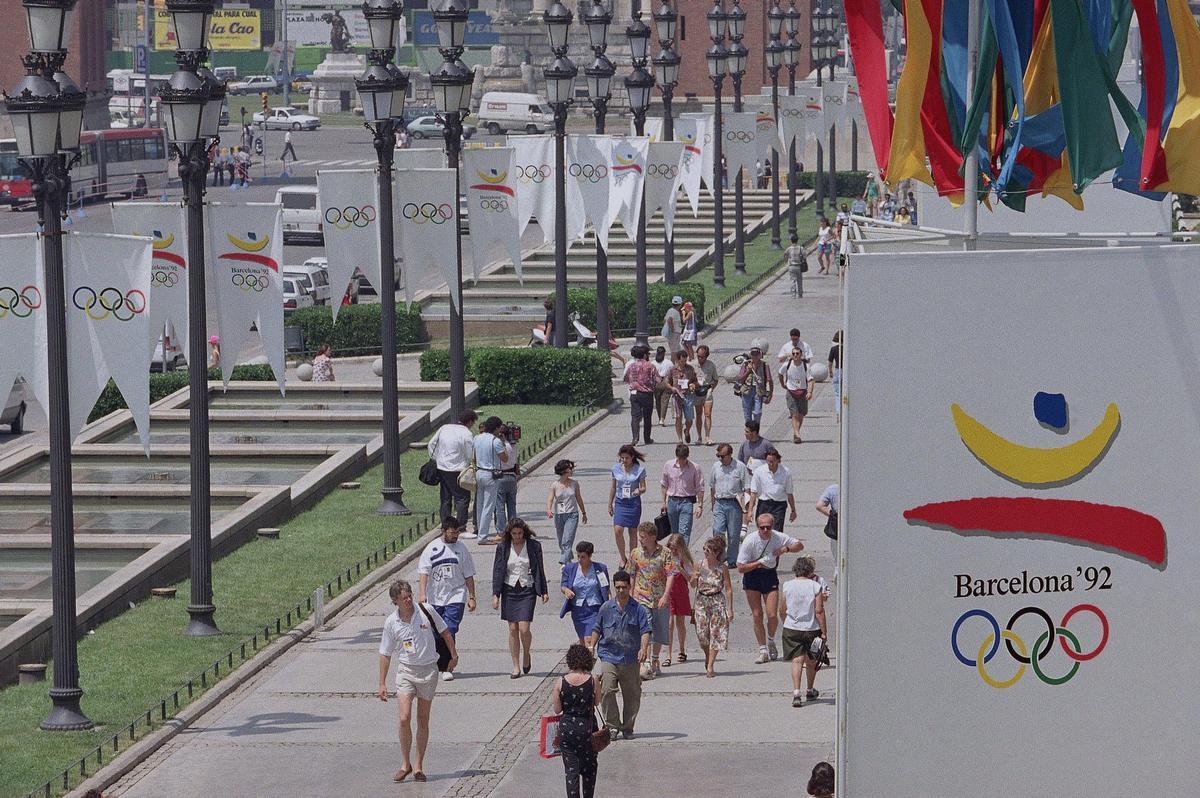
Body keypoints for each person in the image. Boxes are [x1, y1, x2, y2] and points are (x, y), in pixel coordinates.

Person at [377, 579, 460, 783]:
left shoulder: (426, 610)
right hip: (406, 671)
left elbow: (444, 631)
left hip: (428, 671)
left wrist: (453, 654)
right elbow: (385, 653)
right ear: (395, 601)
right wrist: (382, 683)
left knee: (423, 719)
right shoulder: (391, 622)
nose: (408, 600)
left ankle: (419, 766)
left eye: (409, 596)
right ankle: (405, 764)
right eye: (403, 598)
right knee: (404, 717)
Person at [587, 570, 651, 740]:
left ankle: (628, 727)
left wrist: (643, 648)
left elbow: (645, 630)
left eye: (624, 587)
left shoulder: (638, 609)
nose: (621, 591)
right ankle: (612, 725)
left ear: (629, 587)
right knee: (607, 690)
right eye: (618, 588)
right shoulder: (606, 608)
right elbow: (597, 628)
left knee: (632, 695)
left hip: (630, 659)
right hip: (609, 656)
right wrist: (591, 646)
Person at [737, 512, 804, 663]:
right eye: (762, 528)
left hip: (769, 575)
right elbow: (740, 567)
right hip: (752, 574)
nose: (765, 530)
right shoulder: (750, 540)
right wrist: (758, 563)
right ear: (757, 527)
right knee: (757, 614)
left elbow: (799, 545)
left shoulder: (778, 537)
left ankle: (771, 639)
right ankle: (762, 649)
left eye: (768, 527)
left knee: (772, 614)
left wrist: (785, 549)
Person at [416, 517, 476, 680]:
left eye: (457, 532)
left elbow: (469, 574)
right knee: (436, 632)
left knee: (449, 629)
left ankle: (448, 665)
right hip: (435, 597)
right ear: (444, 531)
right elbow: (424, 572)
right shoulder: (432, 548)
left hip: (456, 595)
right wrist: (422, 594)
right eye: (453, 532)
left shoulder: (462, 549)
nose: (456, 535)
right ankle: (438, 663)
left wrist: (471, 596)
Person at [491, 517, 549, 678]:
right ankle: (515, 666)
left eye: (520, 533)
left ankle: (526, 653)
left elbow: (539, 569)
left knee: (524, 628)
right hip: (509, 589)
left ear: (524, 532)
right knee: (512, 629)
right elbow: (497, 570)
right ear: (509, 533)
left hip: (527, 589)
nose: (517, 536)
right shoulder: (503, 547)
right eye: (514, 533)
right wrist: (495, 594)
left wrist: (544, 590)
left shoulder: (533, 546)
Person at [552, 643, 603, 798]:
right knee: (589, 769)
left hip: (567, 730)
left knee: (571, 771)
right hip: (588, 729)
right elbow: (597, 702)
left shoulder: (561, 682)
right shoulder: (592, 680)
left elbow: (557, 709)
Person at [628, 521, 677, 679]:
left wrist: (665, 595)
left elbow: (671, 574)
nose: (640, 540)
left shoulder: (665, 553)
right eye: (639, 537)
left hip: (660, 598)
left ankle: (655, 659)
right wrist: (632, 593)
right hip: (642, 597)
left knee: (660, 629)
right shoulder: (636, 553)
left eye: (643, 537)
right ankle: (646, 661)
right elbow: (632, 573)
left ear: (653, 537)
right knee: (646, 628)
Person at [780, 557, 828, 707]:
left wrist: (786, 622)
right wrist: (824, 632)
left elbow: (782, 609)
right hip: (811, 628)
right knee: (811, 660)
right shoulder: (815, 586)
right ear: (810, 571)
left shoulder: (787, 585)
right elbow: (819, 611)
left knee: (797, 660)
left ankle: (796, 693)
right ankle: (809, 689)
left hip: (791, 628)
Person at [428, 410, 477, 535]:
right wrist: (468, 464)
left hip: (442, 467)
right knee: (462, 498)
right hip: (458, 469)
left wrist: (437, 459)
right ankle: (460, 526)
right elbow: (469, 453)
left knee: (445, 497)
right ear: (470, 421)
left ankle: (445, 524)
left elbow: (432, 444)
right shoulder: (467, 434)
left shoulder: (444, 428)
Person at [692, 536, 733, 677]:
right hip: (701, 601)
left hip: (717, 601)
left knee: (716, 633)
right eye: (704, 549)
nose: (705, 552)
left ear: (716, 552)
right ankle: (707, 655)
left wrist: (729, 608)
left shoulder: (722, 568)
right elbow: (692, 585)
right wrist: (694, 577)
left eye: (708, 550)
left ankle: (710, 666)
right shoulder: (699, 564)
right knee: (702, 634)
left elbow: (728, 588)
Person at [560, 540, 610, 643]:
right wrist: (566, 590)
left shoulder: (600, 569)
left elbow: (606, 588)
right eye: (578, 556)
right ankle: (589, 659)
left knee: (589, 639)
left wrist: (610, 606)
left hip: (595, 609)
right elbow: (563, 585)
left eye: (583, 557)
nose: (579, 559)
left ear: (590, 556)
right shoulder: (570, 568)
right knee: (583, 641)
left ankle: (589, 657)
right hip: (578, 610)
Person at [709, 443, 749, 567]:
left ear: (730, 455)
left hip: (734, 503)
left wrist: (746, 508)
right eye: (718, 456)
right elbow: (712, 486)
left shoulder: (740, 467)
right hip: (719, 502)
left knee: (733, 534)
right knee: (717, 530)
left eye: (722, 456)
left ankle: (732, 561)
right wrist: (713, 503)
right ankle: (719, 557)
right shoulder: (716, 467)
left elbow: (746, 488)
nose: (720, 458)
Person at [608, 444, 647, 568]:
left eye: (627, 458)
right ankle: (622, 557)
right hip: (620, 502)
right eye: (622, 458)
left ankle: (632, 558)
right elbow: (613, 487)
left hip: (633, 502)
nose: (624, 461)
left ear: (632, 457)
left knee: (632, 531)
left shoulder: (639, 469)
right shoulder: (615, 469)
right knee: (618, 530)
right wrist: (610, 503)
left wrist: (639, 491)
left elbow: (643, 487)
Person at [473, 416, 510, 542]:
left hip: (479, 472)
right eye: (499, 428)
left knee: (480, 503)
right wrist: (504, 444)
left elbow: (474, 457)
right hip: (491, 474)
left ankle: (479, 531)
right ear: (496, 428)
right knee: (488, 506)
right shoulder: (496, 441)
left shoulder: (477, 438)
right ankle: (483, 536)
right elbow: (505, 458)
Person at [660, 443, 704, 544]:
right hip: (672, 501)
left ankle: (683, 556)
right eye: (680, 458)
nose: (682, 461)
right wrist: (663, 501)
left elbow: (700, 487)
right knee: (675, 533)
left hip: (686, 502)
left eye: (684, 458)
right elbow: (664, 484)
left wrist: (700, 505)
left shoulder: (695, 468)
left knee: (684, 532)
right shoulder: (668, 465)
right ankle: (676, 556)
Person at [546, 459, 588, 565]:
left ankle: (563, 560)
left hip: (572, 514)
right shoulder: (554, 485)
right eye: (569, 468)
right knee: (561, 540)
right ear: (563, 470)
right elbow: (550, 498)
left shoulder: (574, 483)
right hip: (559, 515)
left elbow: (579, 498)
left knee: (567, 538)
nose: (571, 470)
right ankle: (568, 560)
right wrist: (549, 509)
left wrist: (583, 512)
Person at [746, 448, 797, 533]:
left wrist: (793, 510)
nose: (770, 464)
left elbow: (789, 493)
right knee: (762, 530)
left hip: (779, 505)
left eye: (773, 461)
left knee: (776, 531)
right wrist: (750, 511)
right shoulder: (759, 471)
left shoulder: (785, 472)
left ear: (778, 460)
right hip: (764, 504)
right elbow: (754, 492)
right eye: (768, 461)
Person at [662, 532, 694, 667]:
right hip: (668, 593)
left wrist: (680, 568)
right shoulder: (665, 557)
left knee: (680, 623)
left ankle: (681, 649)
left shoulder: (684, 559)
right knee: (669, 624)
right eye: (671, 548)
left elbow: (691, 581)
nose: (673, 551)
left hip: (681, 592)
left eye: (676, 548)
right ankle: (668, 654)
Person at [488, 423, 521, 542]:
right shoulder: (514, 445)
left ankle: (501, 532)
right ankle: (514, 529)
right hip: (512, 477)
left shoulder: (499, 446)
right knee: (512, 505)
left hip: (500, 477)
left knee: (500, 507)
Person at [623, 344, 657, 446]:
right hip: (647, 394)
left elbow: (626, 379)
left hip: (634, 393)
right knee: (647, 417)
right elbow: (657, 379)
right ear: (645, 355)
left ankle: (635, 438)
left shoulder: (631, 366)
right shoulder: (650, 365)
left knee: (635, 416)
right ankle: (647, 438)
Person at [779, 347, 814, 444]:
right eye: (793, 353)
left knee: (801, 414)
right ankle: (797, 434)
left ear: (801, 355)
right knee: (794, 414)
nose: (795, 355)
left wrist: (810, 392)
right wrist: (782, 384)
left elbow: (810, 380)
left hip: (802, 391)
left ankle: (796, 431)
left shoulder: (806, 366)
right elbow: (780, 373)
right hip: (791, 391)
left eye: (797, 353)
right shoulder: (787, 365)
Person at [736, 344, 773, 424]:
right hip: (747, 392)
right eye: (753, 354)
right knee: (747, 415)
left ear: (760, 355)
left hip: (758, 391)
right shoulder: (746, 364)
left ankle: (756, 432)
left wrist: (770, 394)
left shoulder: (764, 365)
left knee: (757, 413)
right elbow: (740, 380)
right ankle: (749, 433)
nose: (755, 356)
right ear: (750, 355)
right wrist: (748, 371)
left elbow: (770, 380)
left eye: (757, 354)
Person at [667, 350, 699, 444]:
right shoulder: (672, 370)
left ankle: (687, 430)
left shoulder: (690, 369)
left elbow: (695, 381)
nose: (684, 363)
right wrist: (672, 388)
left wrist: (693, 384)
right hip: (677, 396)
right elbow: (666, 382)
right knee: (678, 417)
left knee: (689, 418)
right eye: (682, 361)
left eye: (685, 361)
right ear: (677, 360)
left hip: (688, 395)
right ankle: (680, 439)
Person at [694, 345, 719, 446]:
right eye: (698, 356)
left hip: (707, 390)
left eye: (702, 357)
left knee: (708, 414)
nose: (700, 358)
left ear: (706, 356)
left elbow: (716, 379)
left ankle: (707, 436)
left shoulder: (711, 365)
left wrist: (712, 389)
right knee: (699, 414)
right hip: (697, 390)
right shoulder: (693, 364)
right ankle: (699, 436)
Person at [816, 482, 839, 578]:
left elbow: (819, 506)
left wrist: (833, 516)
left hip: (837, 527)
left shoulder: (833, 489)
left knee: (838, 561)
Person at [652, 345, 674, 427]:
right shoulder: (668, 362)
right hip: (665, 382)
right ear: (664, 353)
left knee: (657, 401)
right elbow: (672, 372)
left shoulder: (653, 363)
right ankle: (662, 418)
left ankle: (659, 418)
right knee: (664, 401)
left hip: (656, 383)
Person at [828, 330, 842, 421]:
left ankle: (838, 413)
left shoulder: (834, 349)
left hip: (838, 370)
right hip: (846, 372)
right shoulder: (849, 348)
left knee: (837, 394)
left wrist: (830, 372)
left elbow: (830, 362)